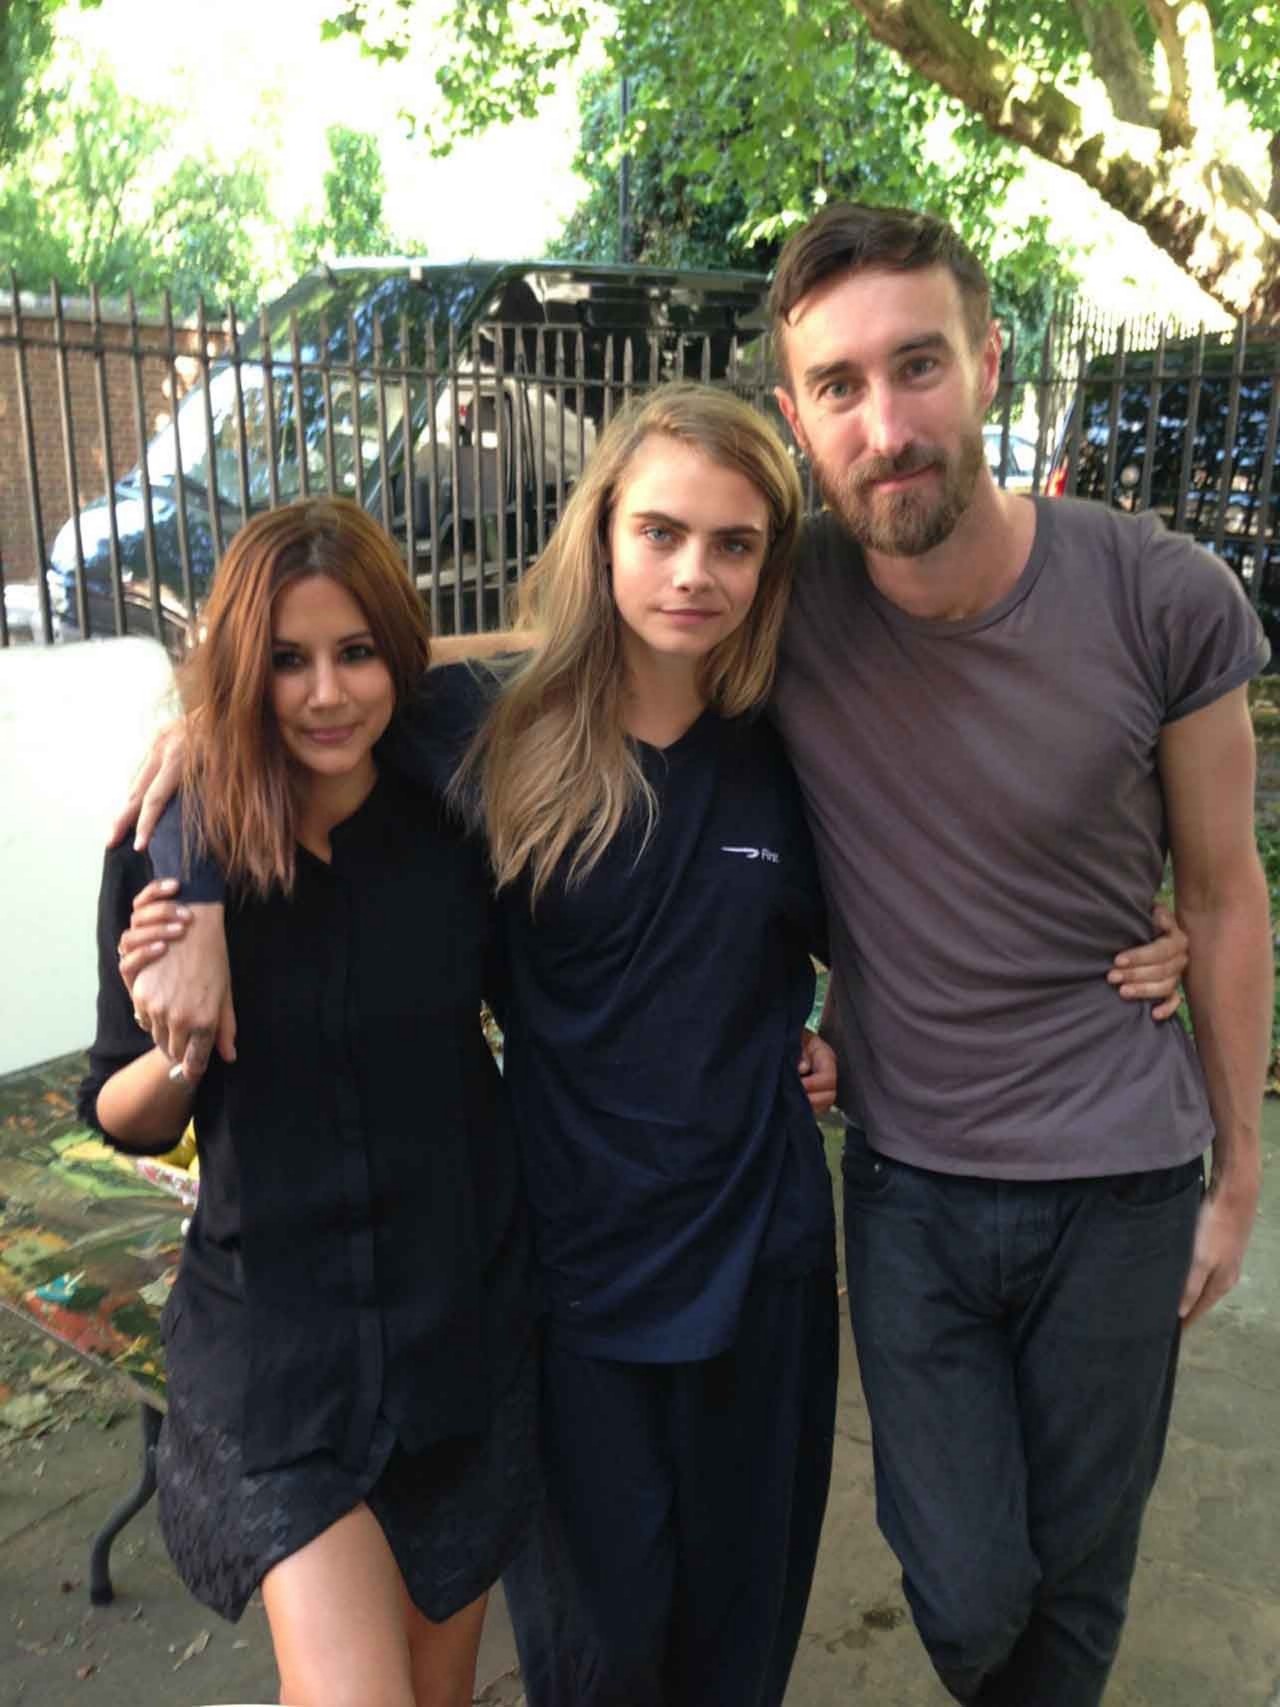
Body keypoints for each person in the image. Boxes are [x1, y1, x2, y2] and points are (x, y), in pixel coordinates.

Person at [113, 384, 1190, 1705]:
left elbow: (932, 898)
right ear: (603, 532)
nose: (693, 572)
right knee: (600, 1662)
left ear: (772, 563)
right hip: (566, 1281)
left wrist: (1133, 935)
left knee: (735, 1659)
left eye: (734, 543)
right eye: (662, 532)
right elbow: (263, 724)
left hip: (759, 1269)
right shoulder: (489, 725)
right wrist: (192, 879)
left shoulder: (798, 739)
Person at [763, 203, 1271, 1705]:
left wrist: (1236, 1174)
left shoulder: (1159, 594)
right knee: (971, 1588)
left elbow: (1222, 893)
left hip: (1121, 1180)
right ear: (795, 415)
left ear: (988, 363)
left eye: (917, 365)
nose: (886, 426)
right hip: (909, 1182)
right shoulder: (778, 599)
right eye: (839, 386)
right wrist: (220, 730)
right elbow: (561, 667)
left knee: (1081, 1573)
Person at [81, 497, 542, 1707]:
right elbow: (120, 1109)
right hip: (277, 1350)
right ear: (245, 669)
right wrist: (183, 1049)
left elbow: (565, 657)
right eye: (287, 661)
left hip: (458, 1324)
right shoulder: (170, 856)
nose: (326, 694)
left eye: (356, 653)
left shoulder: (455, 822)